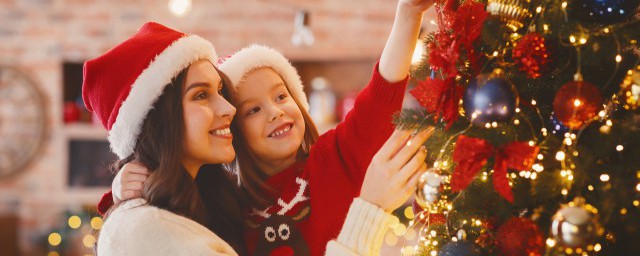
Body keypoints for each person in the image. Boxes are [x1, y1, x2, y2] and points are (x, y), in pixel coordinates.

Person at [106, 0, 436, 255]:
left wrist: (408, 16)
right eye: (252, 110)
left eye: (281, 96)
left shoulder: (334, 158)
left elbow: (381, 93)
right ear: (232, 132)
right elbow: (166, 203)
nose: (275, 112)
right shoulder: (225, 202)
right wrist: (122, 187)